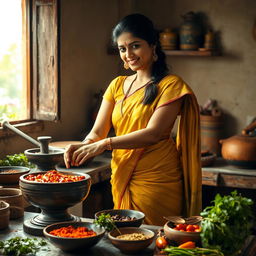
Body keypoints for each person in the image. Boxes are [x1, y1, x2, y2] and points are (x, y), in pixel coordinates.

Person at [64, 13, 202, 226]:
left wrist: (105, 144)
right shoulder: (117, 85)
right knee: (128, 237)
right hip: (123, 173)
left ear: (153, 46)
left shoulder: (170, 85)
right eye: (122, 49)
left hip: (157, 179)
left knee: (155, 240)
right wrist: (83, 147)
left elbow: (153, 133)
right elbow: (97, 131)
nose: (128, 54)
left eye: (135, 46)